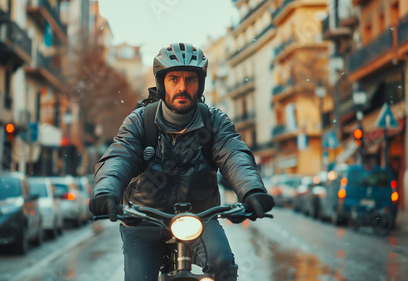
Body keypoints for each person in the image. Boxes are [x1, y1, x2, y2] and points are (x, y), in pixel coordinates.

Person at [90, 42, 274, 281]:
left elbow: (234, 154)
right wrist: (105, 191)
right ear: (161, 83)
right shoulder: (140, 122)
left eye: (190, 80)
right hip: (144, 219)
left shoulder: (214, 121)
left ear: (200, 85)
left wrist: (252, 190)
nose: (182, 87)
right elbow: (119, 156)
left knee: (223, 266)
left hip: (201, 216)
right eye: (174, 79)